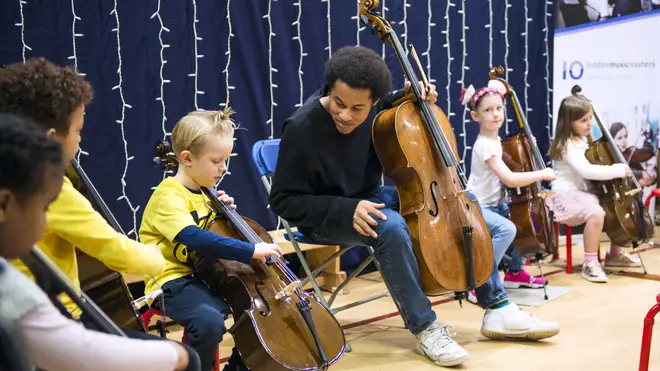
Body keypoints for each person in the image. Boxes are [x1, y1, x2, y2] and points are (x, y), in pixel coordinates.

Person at [268, 46, 560, 368]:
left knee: (463, 204)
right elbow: (283, 201)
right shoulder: (301, 127)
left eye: (358, 108)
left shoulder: (378, 108)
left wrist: (411, 94)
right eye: (339, 103)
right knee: (390, 226)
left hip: (369, 197)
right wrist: (344, 209)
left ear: (374, 102)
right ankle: (425, 326)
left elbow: (394, 100)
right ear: (329, 88)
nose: (346, 115)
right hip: (325, 214)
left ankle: (497, 307)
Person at [0, 113, 196, 371]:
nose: (43, 225)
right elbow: (72, 350)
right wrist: (176, 356)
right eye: (44, 208)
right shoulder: (11, 289)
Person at [0, 58, 167, 318]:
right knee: (182, 359)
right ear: (52, 138)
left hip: (12, 316)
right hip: (52, 318)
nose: (80, 140)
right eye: (78, 131)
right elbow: (116, 251)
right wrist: (157, 257)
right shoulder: (50, 188)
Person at [139, 109, 283, 371]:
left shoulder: (206, 194)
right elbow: (195, 237)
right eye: (216, 160)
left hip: (207, 277)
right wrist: (250, 249)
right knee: (209, 322)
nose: (223, 167)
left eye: (226, 160)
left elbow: (213, 235)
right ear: (187, 158)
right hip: (171, 280)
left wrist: (224, 215)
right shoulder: (168, 196)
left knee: (255, 313)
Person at [462, 81, 553, 290]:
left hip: (495, 204)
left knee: (525, 224)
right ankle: (481, 280)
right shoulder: (485, 145)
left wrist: (528, 147)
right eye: (487, 110)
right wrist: (543, 173)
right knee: (507, 228)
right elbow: (510, 179)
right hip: (477, 206)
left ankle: (515, 272)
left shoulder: (496, 141)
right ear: (475, 116)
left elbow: (513, 164)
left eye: (499, 108)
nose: (495, 114)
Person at [546, 95, 637, 283]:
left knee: (613, 206)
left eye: (590, 118)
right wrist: (617, 169)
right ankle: (590, 263)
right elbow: (586, 170)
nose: (589, 124)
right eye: (583, 120)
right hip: (567, 194)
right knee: (596, 213)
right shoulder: (568, 144)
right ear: (568, 122)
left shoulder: (583, 140)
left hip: (585, 192)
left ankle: (614, 255)